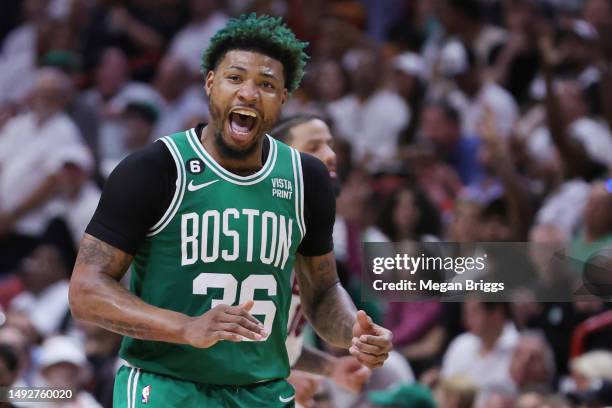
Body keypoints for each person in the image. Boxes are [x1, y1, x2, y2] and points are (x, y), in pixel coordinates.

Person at [69, 14, 392, 407]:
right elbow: (86, 291)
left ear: (284, 99)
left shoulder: (306, 179)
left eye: (267, 85)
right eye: (235, 78)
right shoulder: (155, 169)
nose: (249, 94)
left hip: (263, 391)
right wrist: (185, 326)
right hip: (167, 387)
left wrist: (354, 332)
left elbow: (322, 291)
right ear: (210, 84)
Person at [270, 114, 371, 406]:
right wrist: (283, 377)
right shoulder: (263, 231)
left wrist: (331, 368)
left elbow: (285, 346)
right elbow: (219, 338)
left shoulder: (311, 232)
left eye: (330, 145)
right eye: (314, 147)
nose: (330, 156)